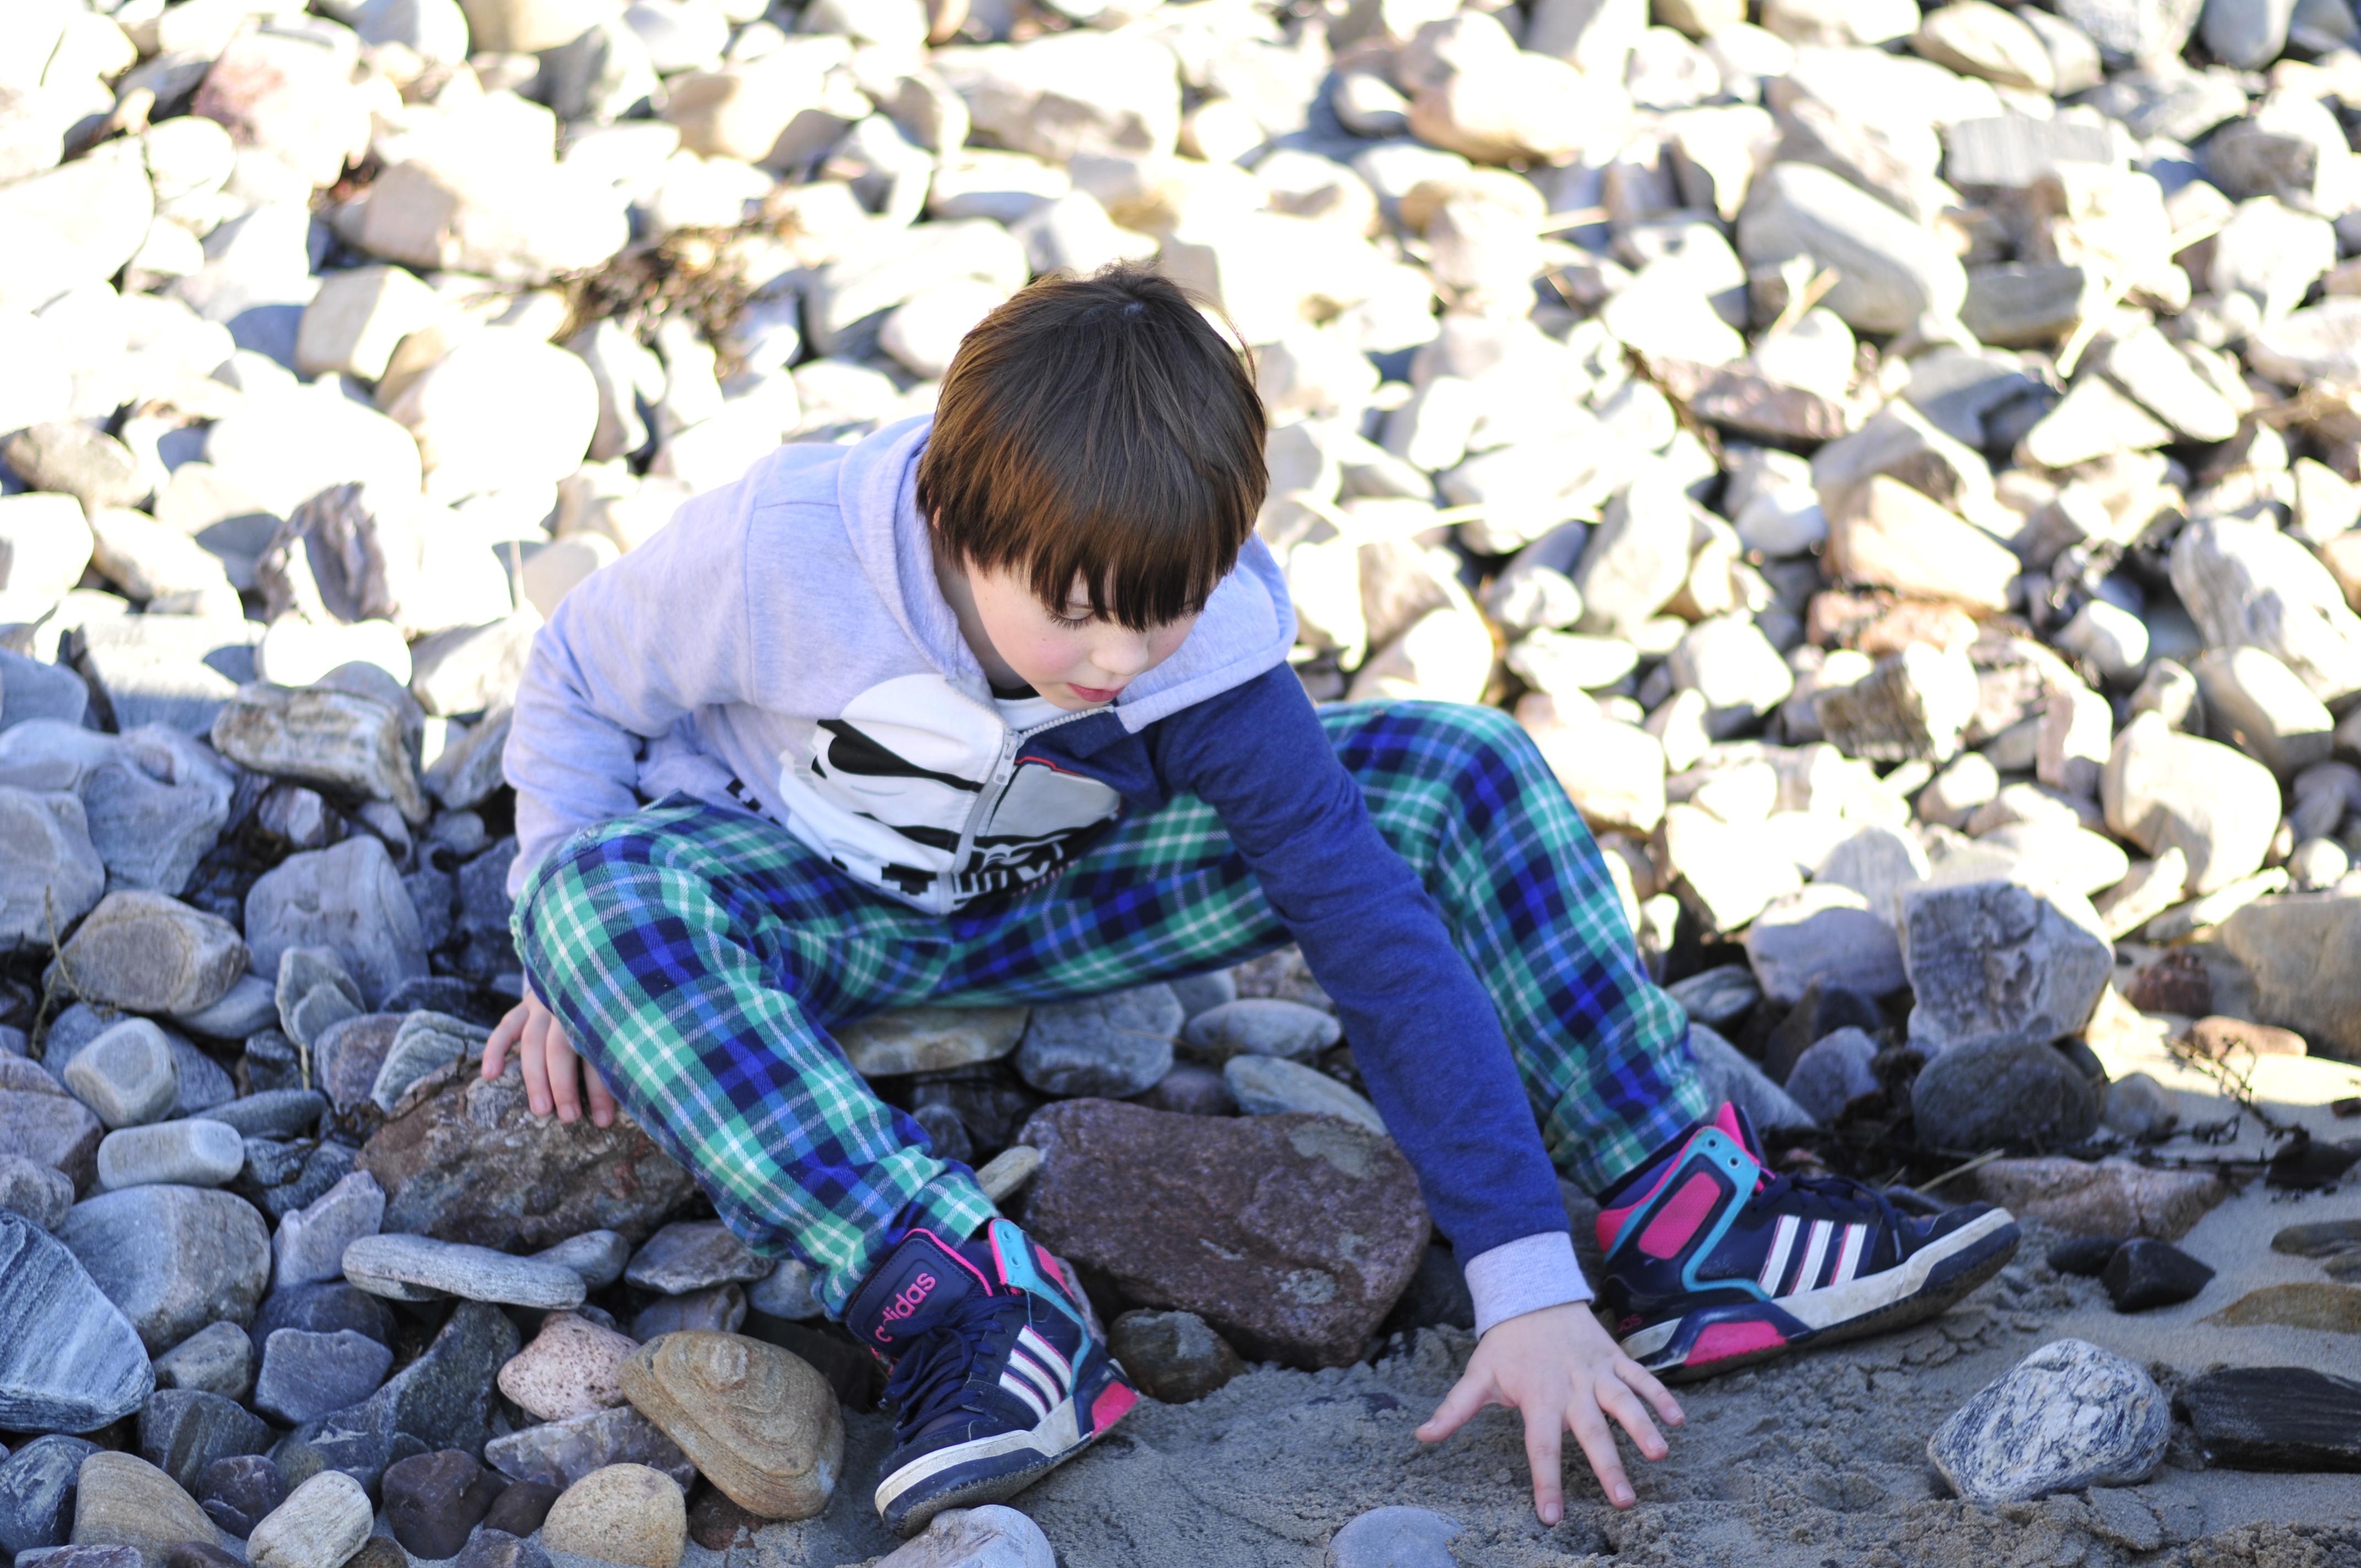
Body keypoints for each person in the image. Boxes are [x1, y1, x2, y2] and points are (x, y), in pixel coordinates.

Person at [481, 263, 2020, 1539]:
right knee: (599, 897)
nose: (1113, 663)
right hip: (807, 907)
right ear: (957, 516)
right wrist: (563, 921)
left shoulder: (1187, 631)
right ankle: (971, 1298)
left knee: (1455, 766)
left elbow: (1368, 934)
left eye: (1155, 623)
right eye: (1074, 619)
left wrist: (1523, 1280)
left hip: (1066, 890)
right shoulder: (778, 553)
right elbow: (572, 684)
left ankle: (1693, 1216)